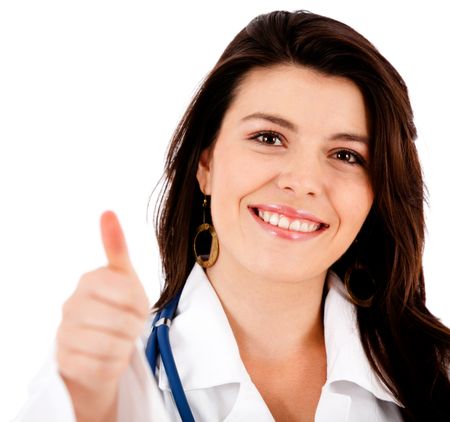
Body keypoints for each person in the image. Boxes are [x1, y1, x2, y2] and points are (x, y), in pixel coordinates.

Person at [15, 9, 450, 422]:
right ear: (205, 163)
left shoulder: (435, 374)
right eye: (268, 137)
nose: (303, 181)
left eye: (345, 154)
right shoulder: (108, 382)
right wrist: (91, 400)